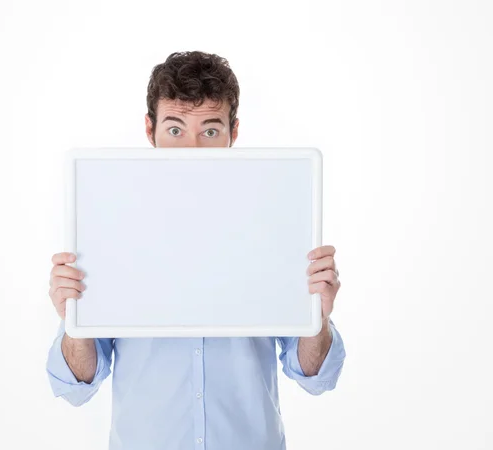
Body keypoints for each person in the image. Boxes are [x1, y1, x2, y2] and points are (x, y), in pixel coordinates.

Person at [46, 51, 346, 450]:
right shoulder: (113, 228)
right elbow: (77, 385)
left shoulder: (272, 226)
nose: (191, 148)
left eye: (209, 131)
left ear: (233, 133)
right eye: (175, 130)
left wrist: (318, 316)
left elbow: (313, 374)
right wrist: (74, 318)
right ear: (150, 129)